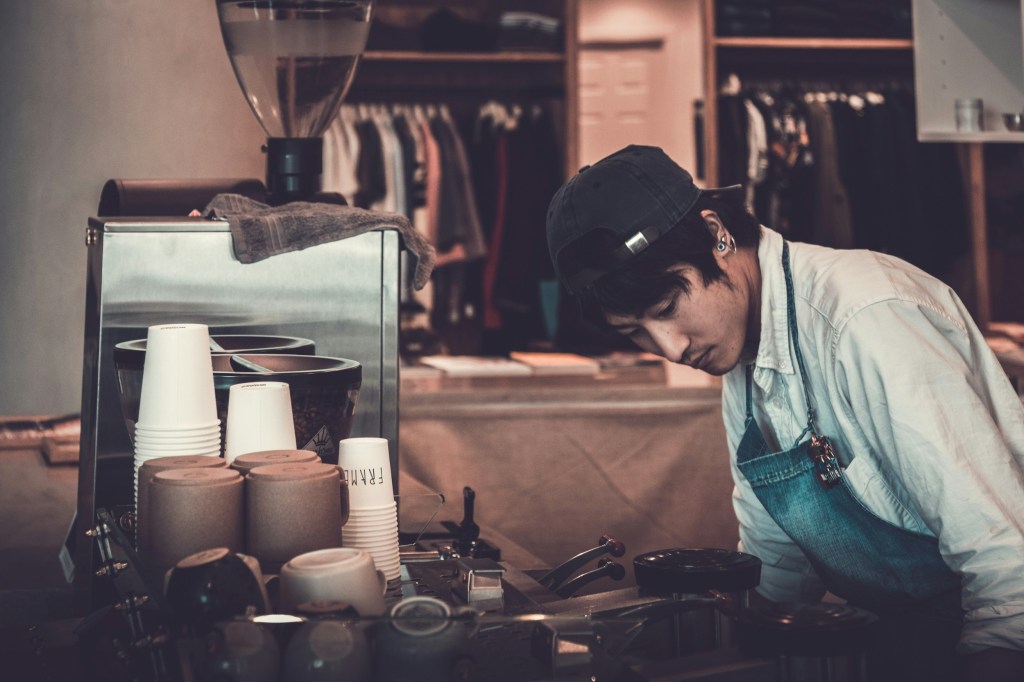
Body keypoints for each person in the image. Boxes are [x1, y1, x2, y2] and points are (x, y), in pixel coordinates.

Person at [545, 144, 1024, 681]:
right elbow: (777, 565)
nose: (671, 347)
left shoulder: (866, 320)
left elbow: (1008, 569)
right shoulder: (742, 354)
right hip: (899, 647)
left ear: (716, 235)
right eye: (635, 331)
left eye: (666, 308)